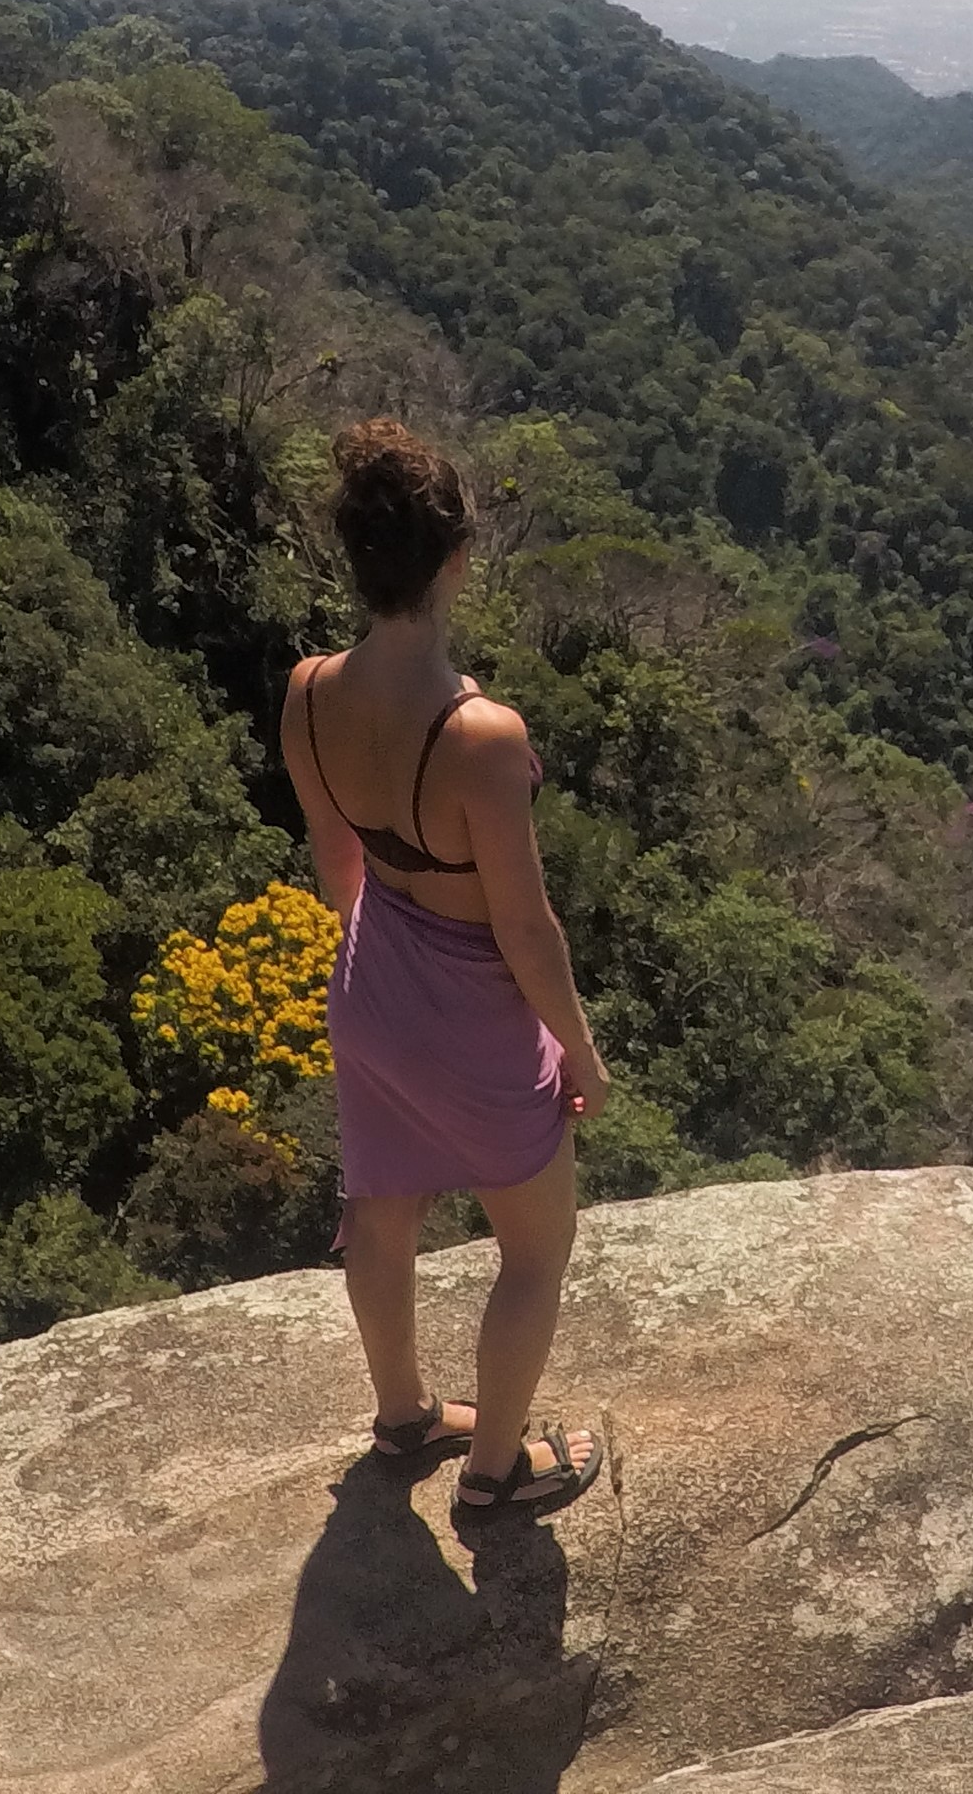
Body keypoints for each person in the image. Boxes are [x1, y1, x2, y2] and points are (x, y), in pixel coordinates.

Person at [282, 418, 613, 1524]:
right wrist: (580, 1048)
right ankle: (494, 1477)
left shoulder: (308, 690)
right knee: (536, 1249)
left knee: (380, 1214)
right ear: (457, 559)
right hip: (471, 1013)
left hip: (371, 981)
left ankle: (404, 1418)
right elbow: (528, 932)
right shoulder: (483, 736)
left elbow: (339, 866)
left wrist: (384, 983)